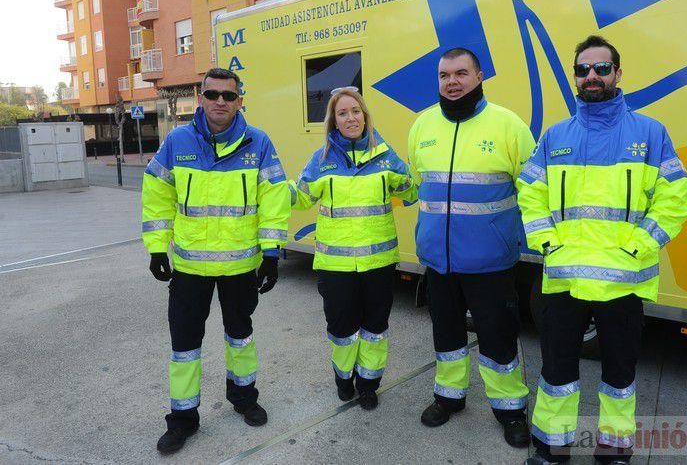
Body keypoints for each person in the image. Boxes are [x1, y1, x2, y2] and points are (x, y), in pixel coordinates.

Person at [519, 36, 687, 465]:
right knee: (556, 373)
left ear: (618, 73)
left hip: (622, 283)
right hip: (564, 280)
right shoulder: (555, 135)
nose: (591, 76)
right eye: (583, 70)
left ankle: (614, 448)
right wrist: (546, 241)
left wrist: (640, 245)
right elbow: (530, 190)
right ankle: (550, 446)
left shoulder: (650, 133)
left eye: (601, 68)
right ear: (575, 77)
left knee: (620, 375)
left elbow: (677, 196)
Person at [141, 68, 291, 454]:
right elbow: (157, 194)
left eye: (228, 95)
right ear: (201, 97)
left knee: (241, 338)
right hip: (190, 270)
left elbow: (274, 200)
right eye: (213, 95)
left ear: (240, 99)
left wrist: (272, 253)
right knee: (184, 347)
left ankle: (243, 398)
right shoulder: (177, 141)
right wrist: (157, 247)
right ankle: (183, 419)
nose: (220, 102)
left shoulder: (259, 143)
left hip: (241, 267)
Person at [407, 47, 536, 448]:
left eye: (461, 73)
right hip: (438, 261)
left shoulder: (507, 125)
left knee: (498, 338)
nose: (452, 81)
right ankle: (449, 397)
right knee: (446, 334)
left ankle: (510, 409)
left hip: (491, 262)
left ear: (479, 77)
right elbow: (418, 185)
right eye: (445, 75)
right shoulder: (422, 126)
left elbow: (533, 189)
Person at [290, 87, 417, 410]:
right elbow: (300, 197)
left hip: (378, 263)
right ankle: (343, 377)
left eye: (356, 111)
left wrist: (401, 166)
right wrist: (266, 186)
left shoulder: (384, 155)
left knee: (375, 328)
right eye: (343, 113)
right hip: (336, 267)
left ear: (365, 115)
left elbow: (410, 193)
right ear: (333, 121)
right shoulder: (321, 161)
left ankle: (369, 384)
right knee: (341, 329)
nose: (351, 118)